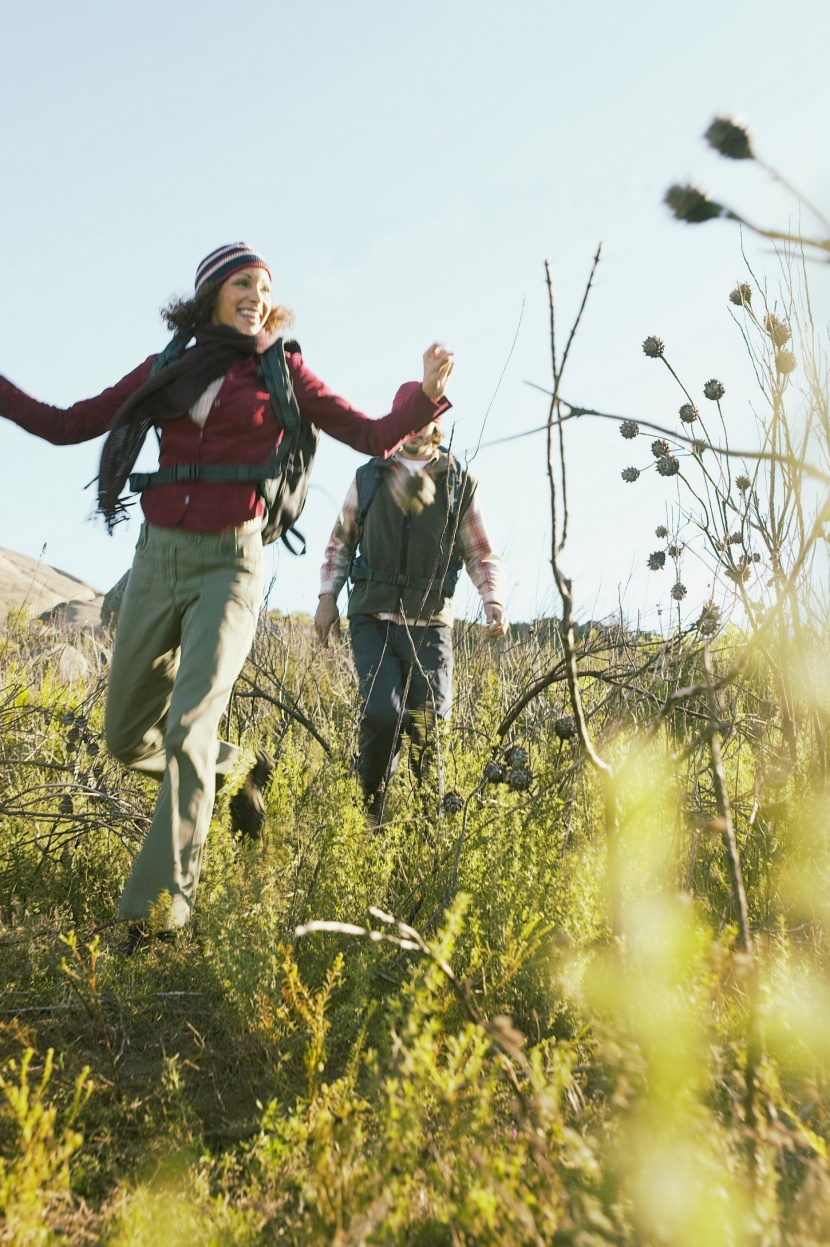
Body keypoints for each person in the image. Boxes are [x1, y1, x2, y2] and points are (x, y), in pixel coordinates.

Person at [0, 242, 453, 944]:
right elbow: (67, 424)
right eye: (243, 282)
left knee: (188, 727)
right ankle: (235, 769)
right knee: (125, 733)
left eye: (265, 286)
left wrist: (424, 394)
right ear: (211, 291)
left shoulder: (283, 370)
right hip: (157, 562)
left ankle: (154, 919)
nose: (256, 294)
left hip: (231, 566)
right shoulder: (167, 369)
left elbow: (366, 432)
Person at [314, 410, 507, 820]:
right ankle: (371, 812)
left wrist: (494, 600)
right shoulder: (370, 476)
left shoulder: (458, 482)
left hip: (431, 624)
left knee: (428, 730)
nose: (416, 429)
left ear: (435, 427)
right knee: (382, 714)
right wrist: (327, 597)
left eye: (424, 420)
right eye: (409, 419)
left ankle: (425, 834)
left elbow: (480, 552)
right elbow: (340, 544)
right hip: (372, 619)